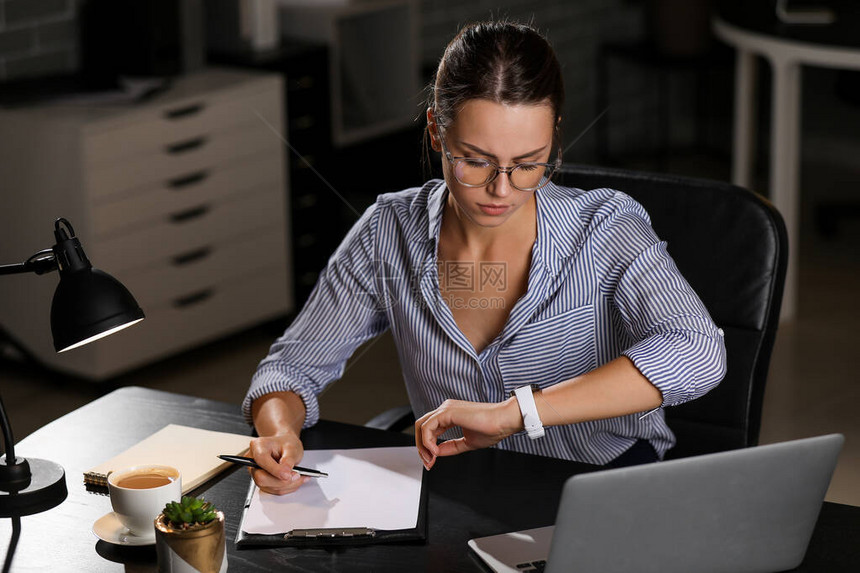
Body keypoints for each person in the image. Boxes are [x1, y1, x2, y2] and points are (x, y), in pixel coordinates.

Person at [243, 21, 726, 495]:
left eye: (528, 163)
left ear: (554, 138)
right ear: (436, 131)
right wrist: (278, 430)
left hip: (598, 479)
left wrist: (517, 413)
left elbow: (699, 350)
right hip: (455, 483)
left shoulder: (606, 227)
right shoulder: (387, 230)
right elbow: (291, 369)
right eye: (475, 160)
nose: (501, 189)